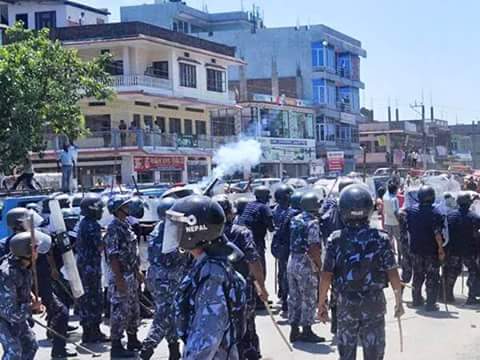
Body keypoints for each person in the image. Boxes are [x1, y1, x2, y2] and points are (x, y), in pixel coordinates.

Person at [318, 184, 404, 360]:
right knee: (374, 351)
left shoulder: (335, 239)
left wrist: (321, 303)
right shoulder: (381, 238)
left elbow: (326, 275)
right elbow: (393, 273)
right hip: (374, 302)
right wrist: (398, 300)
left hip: (346, 303)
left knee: (347, 351)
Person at [163, 195, 247, 359]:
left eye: (179, 226)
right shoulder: (207, 264)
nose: (175, 231)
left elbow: (206, 340)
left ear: (194, 231)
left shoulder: (212, 276)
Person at [215, 195, 268, 360]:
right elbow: (253, 260)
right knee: (247, 325)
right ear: (230, 213)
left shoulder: (208, 235)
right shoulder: (242, 232)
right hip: (241, 287)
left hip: (217, 288)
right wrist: (261, 285)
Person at [140, 197, 188, 360]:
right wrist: (185, 250)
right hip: (166, 281)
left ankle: (174, 351)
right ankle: (147, 348)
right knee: (164, 316)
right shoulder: (166, 232)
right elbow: (171, 257)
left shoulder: (164, 228)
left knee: (170, 315)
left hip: (161, 278)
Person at [104, 195, 144, 358]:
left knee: (133, 309)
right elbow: (113, 256)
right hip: (121, 275)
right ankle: (116, 345)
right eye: (125, 206)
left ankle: (132, 339)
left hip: (131, 273)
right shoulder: (114, 228)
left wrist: (137, 271)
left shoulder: (125, 225)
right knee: (120, 311)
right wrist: (119, 279)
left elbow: (131, 252)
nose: (129, 208)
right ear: (118, 209)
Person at [288, 192, 325, 343]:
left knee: (294, 297)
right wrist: (320, 266)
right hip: (305, 262)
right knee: (309, 297)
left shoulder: (295, 219)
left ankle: (294, 329)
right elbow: (314, 247)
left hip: (292, 260)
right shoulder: (313, 223)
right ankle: (307, 331)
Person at [402, 185, 445, 310]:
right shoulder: (435, 212)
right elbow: (437, 234)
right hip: (431, 251)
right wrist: (441, 250)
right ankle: (430, 303)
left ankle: (416, 300)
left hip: (415, 249)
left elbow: (401, 216)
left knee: (418, 275)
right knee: (432, 276)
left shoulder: (410, 211)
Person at [0, 232, 40, 360]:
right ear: (26, 252)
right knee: (14, 352)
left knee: (30, 344)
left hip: (14, 311)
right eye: (35, 248)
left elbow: (22, 285)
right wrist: (31, 307)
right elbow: (11, 313)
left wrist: (31, 295)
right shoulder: (8, 274)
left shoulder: (23, 264)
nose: (37, 251)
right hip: (4, 315)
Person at [76, 194, 109, 343]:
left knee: (86, 299)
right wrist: (108, 238)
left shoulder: (84, 223)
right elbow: (99, 246)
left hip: (84, 266)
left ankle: (88, 332)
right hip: (91, 268)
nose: (101, 212)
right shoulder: (92, 225)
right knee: (94, 298)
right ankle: (93, 332)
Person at [444, 192, 480, 305]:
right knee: (473, 271)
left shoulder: (450, 215)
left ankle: (448, 295)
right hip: (469, 251)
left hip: (453, 250)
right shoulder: (475, 217)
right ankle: (471, 296)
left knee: (452, 272)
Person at [238, 186, 274, 287]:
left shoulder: (249, 205)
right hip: (256, 242)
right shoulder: (264, 208)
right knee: (260, 268)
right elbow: (271, 228)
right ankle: (261, 295)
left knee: (248, 269)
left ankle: (253, 294)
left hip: (243, 241)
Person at [271, 185, 295, 313]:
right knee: (287, 274)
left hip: (279, 246)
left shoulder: (275, 210)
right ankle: (286, 299)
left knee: (282, 272)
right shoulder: (289, 212)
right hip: (287, 245)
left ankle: (282, 294)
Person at [383, 182, 401, 261]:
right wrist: (399, 221)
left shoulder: (385, 197)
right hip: (395, 222)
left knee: (389, 240)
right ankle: (400, 257)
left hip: (387, 221)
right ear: (395, 190)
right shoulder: (394, 199)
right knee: (398, 240)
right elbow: (395, 211)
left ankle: (390, 258)